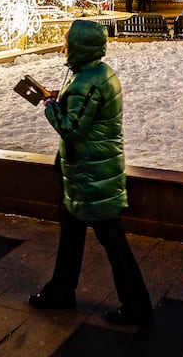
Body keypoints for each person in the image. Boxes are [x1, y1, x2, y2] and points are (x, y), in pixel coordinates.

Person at [29, 19, 153, 327]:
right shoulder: (92, 74)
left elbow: (72, 128)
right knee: (71, 234)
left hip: (93, 174)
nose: (64, 46)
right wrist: (63, 96)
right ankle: (61, 290)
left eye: (68, 42)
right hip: (86, 171)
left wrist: (49, 105)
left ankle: (137, 306)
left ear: (81, 46)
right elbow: (83, 109)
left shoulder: (89, 81)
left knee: (112, 239)